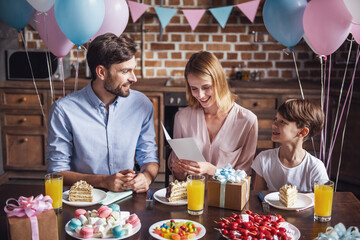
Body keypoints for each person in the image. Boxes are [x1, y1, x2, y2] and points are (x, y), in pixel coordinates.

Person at [46, 33, 159, 193]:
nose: (133, 78)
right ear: (101, 72)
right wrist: (104, 181)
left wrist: (146, 177)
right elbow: (56, 172)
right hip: (84, 201)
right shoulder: (63, 110)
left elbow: (149, 157)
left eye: (133, 70)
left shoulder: (142, 104)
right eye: (126, 71)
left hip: (127, 200)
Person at [168, 51, 258, 181]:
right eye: (194, 88)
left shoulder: (247, 121)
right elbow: (179, 178)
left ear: (219, 81)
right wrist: (178, 170)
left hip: (228, 197)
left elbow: (244, 176)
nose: (200, 95)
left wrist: (211, 170)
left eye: (206, 87)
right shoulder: (181, 118)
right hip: (192, 197)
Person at [251, 99, 329, 192]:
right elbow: (257, 198)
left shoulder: (315, 167)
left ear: (302, 132)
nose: (274, 125)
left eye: (283, 122)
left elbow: (323, 202)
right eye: (275, 119)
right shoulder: (263, 159)